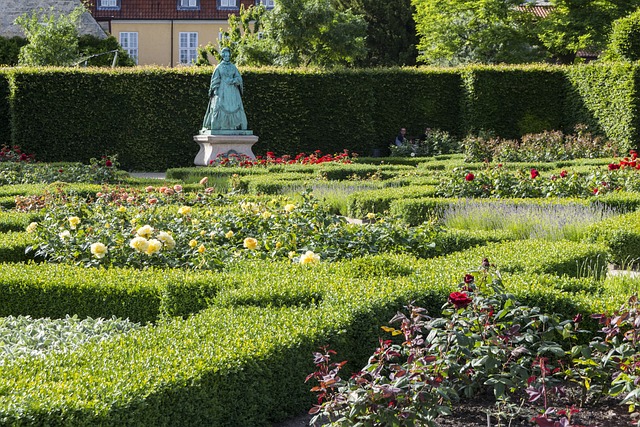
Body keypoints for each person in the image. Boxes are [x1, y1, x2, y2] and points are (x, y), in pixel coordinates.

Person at [201, 47, 248, 132]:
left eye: (228, 55)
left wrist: (233, 80)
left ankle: (233, 127)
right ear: (223, 56)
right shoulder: (219, 67)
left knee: (236, 108)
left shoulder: (233, 67)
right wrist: (215, 91)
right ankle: (217, 126)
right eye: (225, 55)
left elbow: (239, 78)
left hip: (233, 92)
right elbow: (215, 80)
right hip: (222, 91)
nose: (227, 57)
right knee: (217, 108)